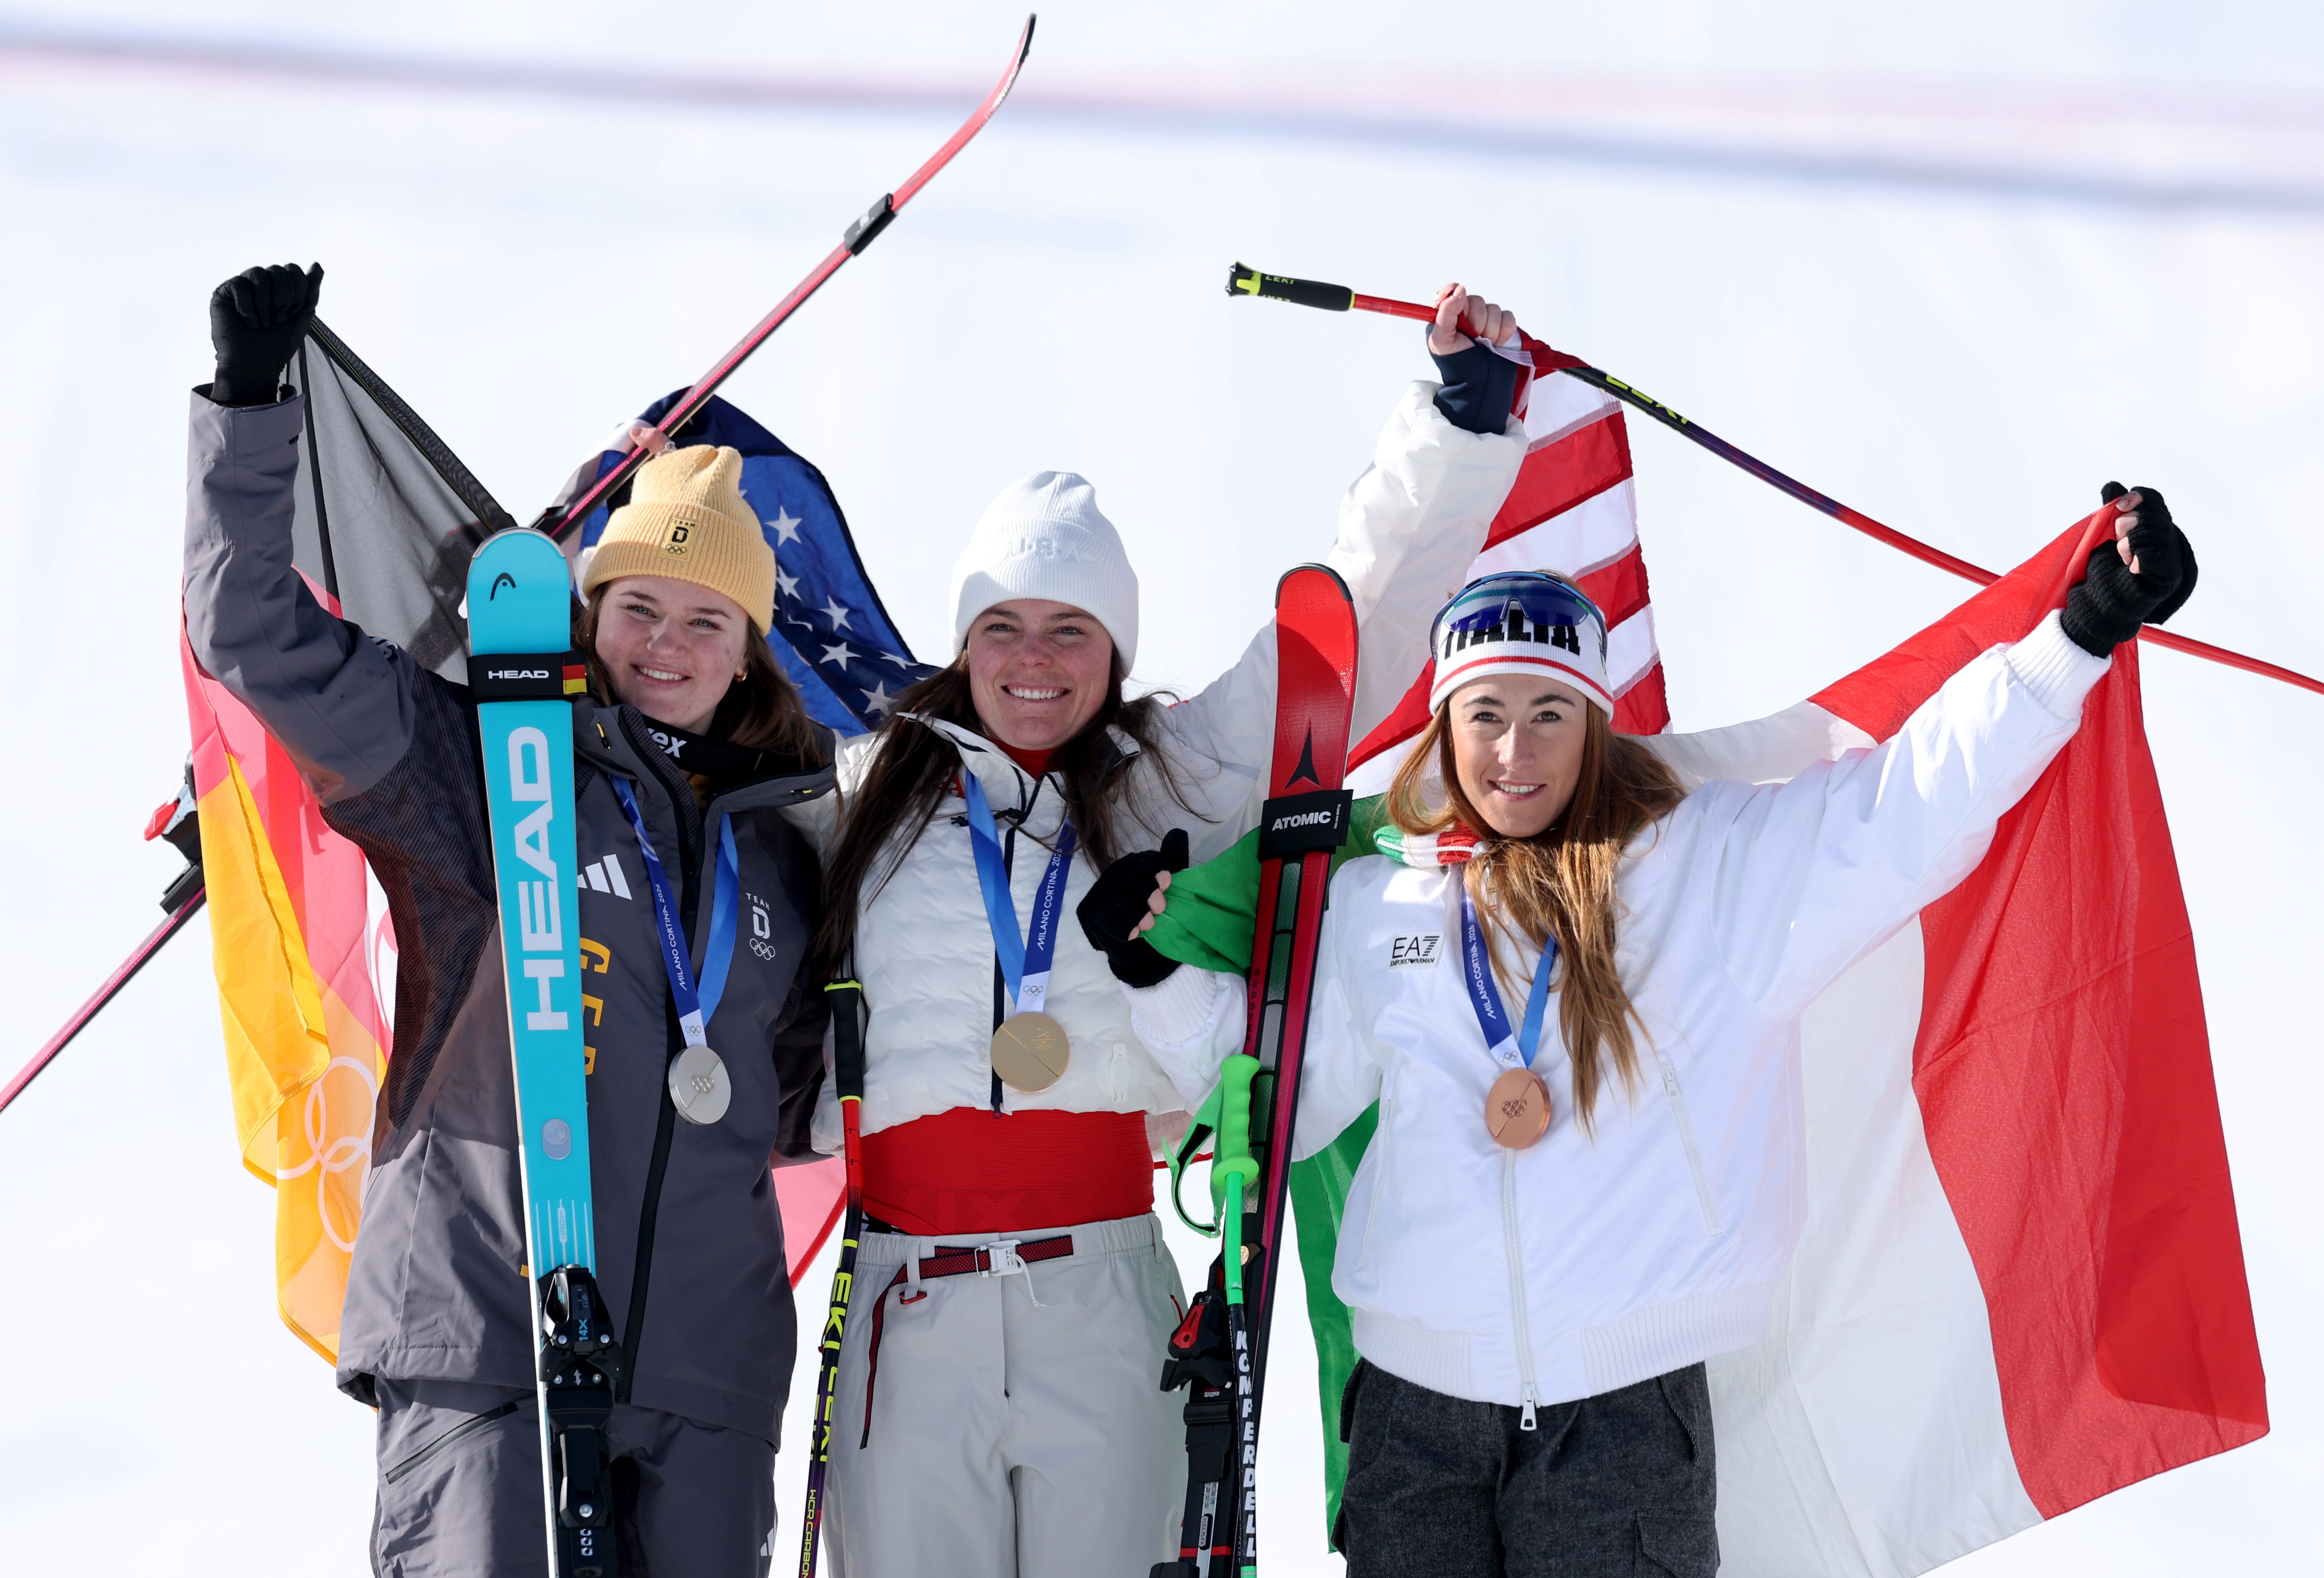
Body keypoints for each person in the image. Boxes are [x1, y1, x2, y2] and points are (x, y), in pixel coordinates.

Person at [1082, 491, 2198, 1577]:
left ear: (1594, 723)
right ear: (1445, 725)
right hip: (1410, 1417)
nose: (1514, 750)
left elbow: (1909, 805)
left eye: (1548, 713)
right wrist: (1152, 971)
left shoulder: (1710, 870)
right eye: (1484, 714)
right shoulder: (1383, 902)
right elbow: (1289, 1101)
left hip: (1618, 1418)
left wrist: (2074, 642)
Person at [791, 285, 1536, 1578]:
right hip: (907, 1308)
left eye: (1069, 628)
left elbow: (1341, 633)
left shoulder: (1169, 776)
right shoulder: (861, 797)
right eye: (1004, 628)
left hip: (1101, 1285)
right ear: (964, 642)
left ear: (1113, 645)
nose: (1035, 660)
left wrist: (1452, 422)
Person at [185, 262, 841, 1576]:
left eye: (705, 619)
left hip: (707, 1387)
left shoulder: (787, 859)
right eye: (638, 607)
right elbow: (252, 632)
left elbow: (800, 1097)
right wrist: (249, 410)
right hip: (488, 1344)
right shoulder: (486, 768)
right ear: (590, 617)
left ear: (749, 648)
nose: (667, 642)